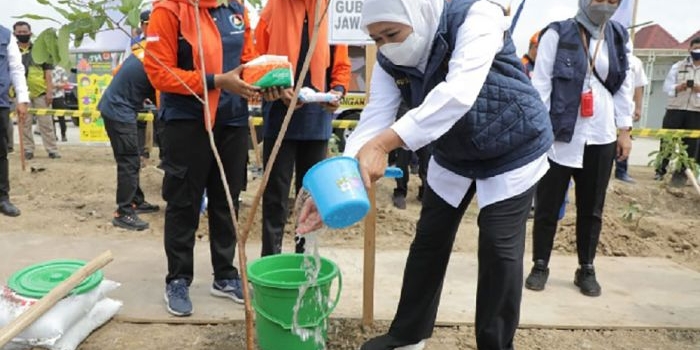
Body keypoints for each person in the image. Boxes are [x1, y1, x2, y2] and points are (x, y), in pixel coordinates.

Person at [298, 0, 554, 348]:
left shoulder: (476, 16)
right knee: (429, 240)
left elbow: (458, 93)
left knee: (498, 246)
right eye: (376, 39)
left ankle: (495, 344)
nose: (386, 45)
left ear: (418, 14)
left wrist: (383, 146)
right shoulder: (389, 60)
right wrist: (335, 188)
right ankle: (407, 335)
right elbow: (376, 117)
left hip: (513, 145)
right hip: (453, 153)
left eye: (392, 33)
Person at [144, 0, 274, 317]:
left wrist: (261, 81)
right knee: (183, 201)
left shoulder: (235, 8)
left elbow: (246, 59)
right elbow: (158, 72)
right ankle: (178, 279)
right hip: (186, 121)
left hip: (231, 120)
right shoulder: (169, 10)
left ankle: (226, 275)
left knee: (227, 199)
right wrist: (215, 81)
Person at [524, 0, 633, 298]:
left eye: (613, 1)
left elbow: (624, 85)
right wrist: (539, 131)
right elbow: (541, 84)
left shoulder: (620, 36)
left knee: (592, 208)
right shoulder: (556, 34)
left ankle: (586, 267)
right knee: (547, 206)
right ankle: (540, 264)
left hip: (601, 136)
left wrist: (625, 130)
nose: (605, 5)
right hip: (560, 136)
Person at [255, 0, 351, 256]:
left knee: (310, 194)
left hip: (317, 113)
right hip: (279, 113)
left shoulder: (329, 11)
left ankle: (305, 261)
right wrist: (274, 87)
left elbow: (340, 64)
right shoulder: (272, 10)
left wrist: (338, 91)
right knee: (275, 193)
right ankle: (271, 259)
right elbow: (257, 61)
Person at [98, 40, 160, 231]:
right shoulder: (157, 61)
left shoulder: (144, 50)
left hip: (115, 107)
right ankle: (123, 212)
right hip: (119, 111)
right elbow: (163, 100)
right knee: (129, 161)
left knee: (131, 159)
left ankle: (136, 201)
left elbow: (117, 72)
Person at [654, 37, 700, 185]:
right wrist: (678, 87)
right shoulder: (678, 66)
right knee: (667, 140)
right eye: (695, 49)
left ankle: (681, 174)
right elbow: (667, 88)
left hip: (695, 111)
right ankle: (660, 170)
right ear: (689, 49)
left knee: (691, 144)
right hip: (675, 109)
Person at [13, 21, 60, 160]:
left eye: (25, 32)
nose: (22, 34)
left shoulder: (40, 50)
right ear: (14, 34)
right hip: (21, 94)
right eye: (19, 32)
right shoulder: (12, 50)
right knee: (24, 123)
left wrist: (50, 92)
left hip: (41, 93)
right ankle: (28, 150)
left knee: (46, 123)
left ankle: (52, 150)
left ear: (30, 32)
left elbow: (48, 73)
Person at [0, 24, 30, 217]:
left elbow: (16, 68)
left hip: (0, 103)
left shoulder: (6, 36)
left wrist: (22, 98)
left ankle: (2, 198)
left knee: (0, 154)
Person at [614, 54, 648, 183]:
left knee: (623, 141)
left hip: (626, 109)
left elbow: (638, 86)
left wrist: (638, 107)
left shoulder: (634, 62)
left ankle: (621, 171)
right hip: (603, 108)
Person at [51, 65, 69, 142]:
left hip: (59, 96)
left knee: (61, 117)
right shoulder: (44, 69)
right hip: (48, 96)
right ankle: (53, 135)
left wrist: (56, 86)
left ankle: (63, 135)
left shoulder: (61, 69)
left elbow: (65, 83)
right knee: (50, 118)